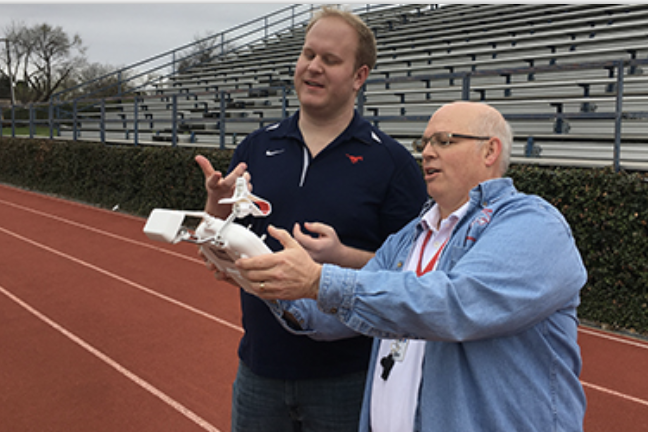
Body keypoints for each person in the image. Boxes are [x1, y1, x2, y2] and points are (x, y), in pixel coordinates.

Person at [236, 101, 588, 431]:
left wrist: (318, 280)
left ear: (490, 150)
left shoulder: (533, 223)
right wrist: (260, 276)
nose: (428, 152)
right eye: (424, 143)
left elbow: (457, 304)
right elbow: (333, 314)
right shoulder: (410, 236)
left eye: (444, 140)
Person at [195, 6, 428, 432]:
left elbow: (412, 275)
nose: (313, 68)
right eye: (308, 55)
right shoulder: (255, 147)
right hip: (259, 370)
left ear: (360, 76)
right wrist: (214, 209)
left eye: (330, 60)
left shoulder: (391, 163)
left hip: (348, 378)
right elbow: (217, 247)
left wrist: (343, 257)